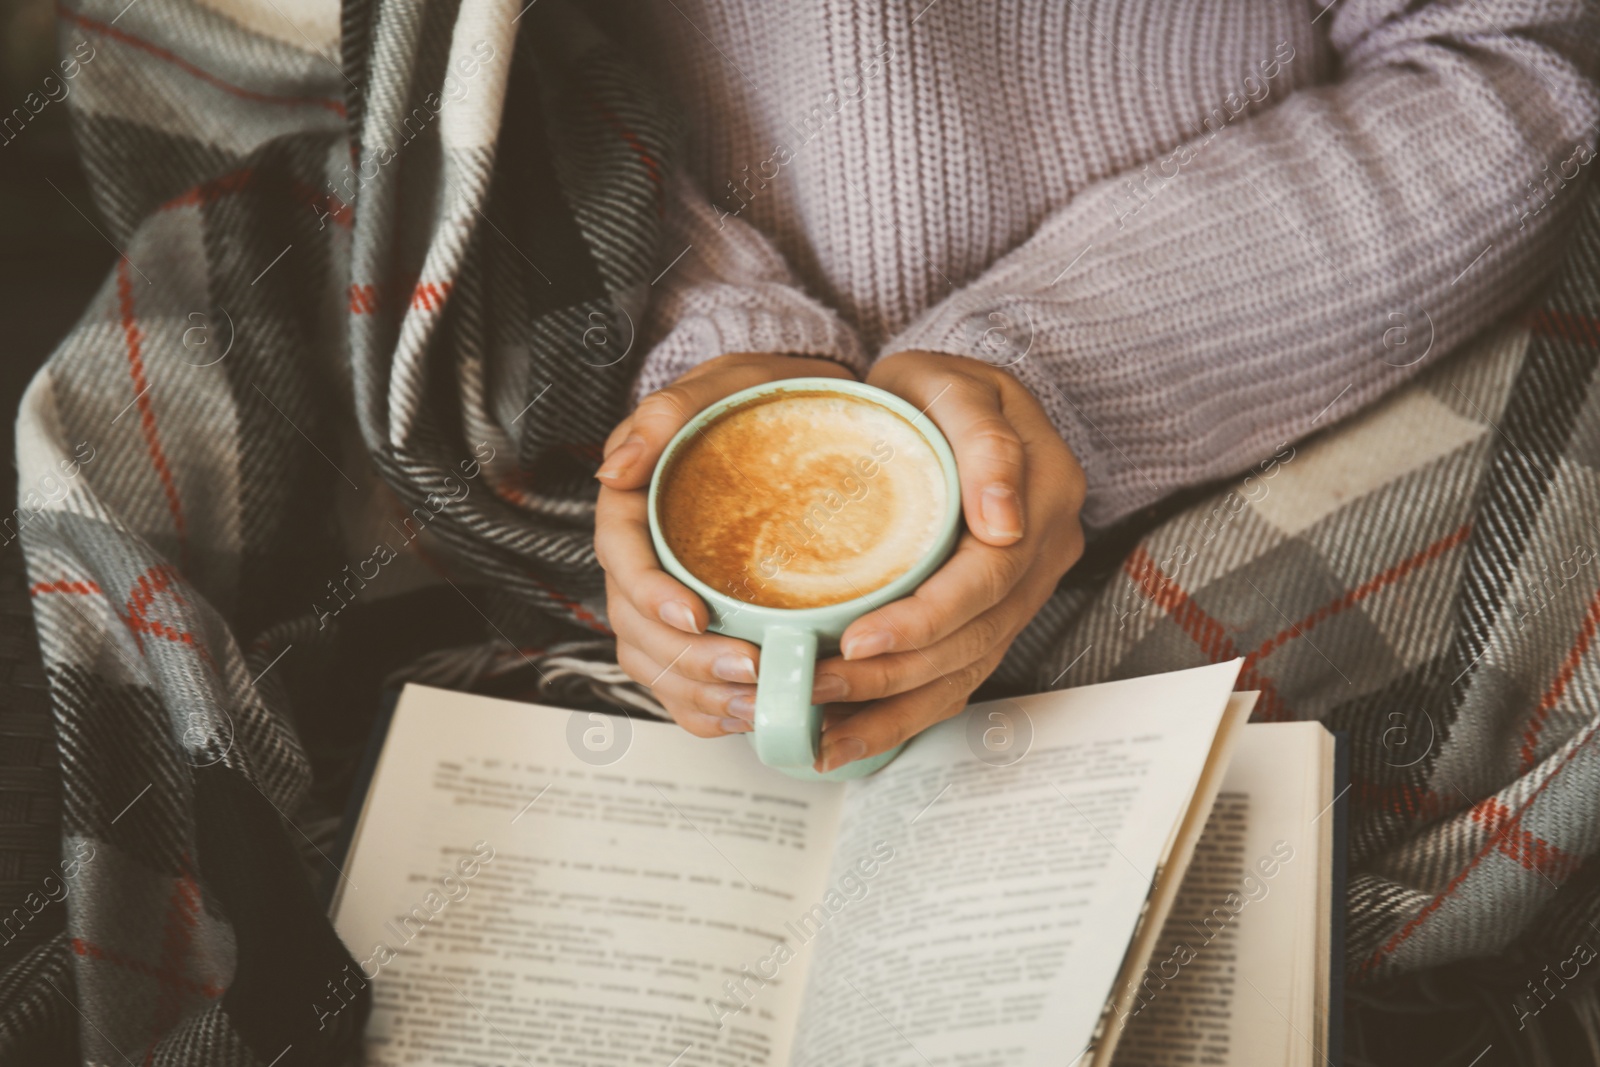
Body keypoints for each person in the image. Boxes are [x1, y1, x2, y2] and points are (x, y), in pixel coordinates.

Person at [590, 0, 1600, 773]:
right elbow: (539, 94)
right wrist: (721, 332)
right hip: (621, 473)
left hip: (1295, 432)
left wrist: (1057, 373)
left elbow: (1522, 62)